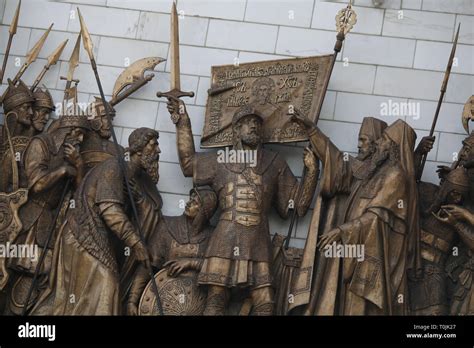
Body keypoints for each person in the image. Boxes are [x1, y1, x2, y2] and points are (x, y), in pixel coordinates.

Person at [166, 100, 318, 315]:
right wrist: (183, 122)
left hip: (258, 240)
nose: (254, 126)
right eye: (247, 122)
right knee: (216, 299)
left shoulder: (275, 162)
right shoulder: (221, 160)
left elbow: (297, 207)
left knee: (265, 303)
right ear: (236, 129)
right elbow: (189, 165)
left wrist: (312, 172)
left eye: (257, 123)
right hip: (224, 238)